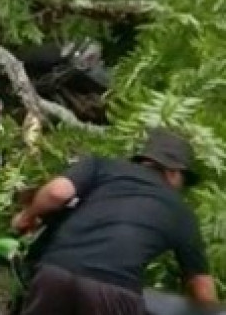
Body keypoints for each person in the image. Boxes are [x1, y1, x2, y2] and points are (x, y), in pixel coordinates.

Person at [12, 127, 218, 315]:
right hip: (113, 292)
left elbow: (58, 192)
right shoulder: (181, 212)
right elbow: (201, 286)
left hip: (56, 273)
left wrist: (26, 216)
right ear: (173, 172)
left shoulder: (102, 167)